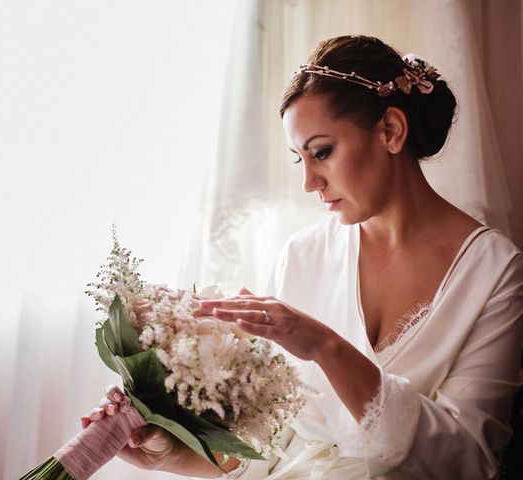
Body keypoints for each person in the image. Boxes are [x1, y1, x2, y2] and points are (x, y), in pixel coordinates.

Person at [84, 35, 523, 479]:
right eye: (300, 160)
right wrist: (170, 455)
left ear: (390, 130)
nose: (310, 183)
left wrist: (326, 347)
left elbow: (469, 461)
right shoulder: (302, 256)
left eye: (323, 153)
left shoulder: (495, 272)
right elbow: (272, 443)